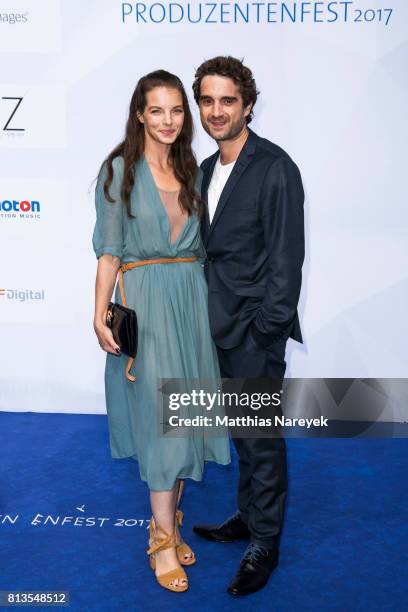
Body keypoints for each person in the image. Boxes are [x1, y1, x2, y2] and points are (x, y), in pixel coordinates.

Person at [92, 70, 230, 593]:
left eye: (177, 111)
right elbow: (109, 251)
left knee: (184, 418)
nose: (169, 121)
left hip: (190, 305)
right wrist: (99, 310)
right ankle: (162, 543)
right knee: (159, 425)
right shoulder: (119, 171)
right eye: (158, 111)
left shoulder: (193, 168)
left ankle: (163, 524)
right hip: (144, 305)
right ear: (139, 115)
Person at [191, 56, 305, 596]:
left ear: (248, 105)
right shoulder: (205, 169)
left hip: (253, 332)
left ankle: (265, 542)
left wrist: (267, 330)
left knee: (261, 438)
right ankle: (246, 515)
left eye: (227, 100)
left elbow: (286, 260)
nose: (216, 111)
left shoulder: (275, 166)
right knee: (240, 431)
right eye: (208, 101)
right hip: (214, 327)